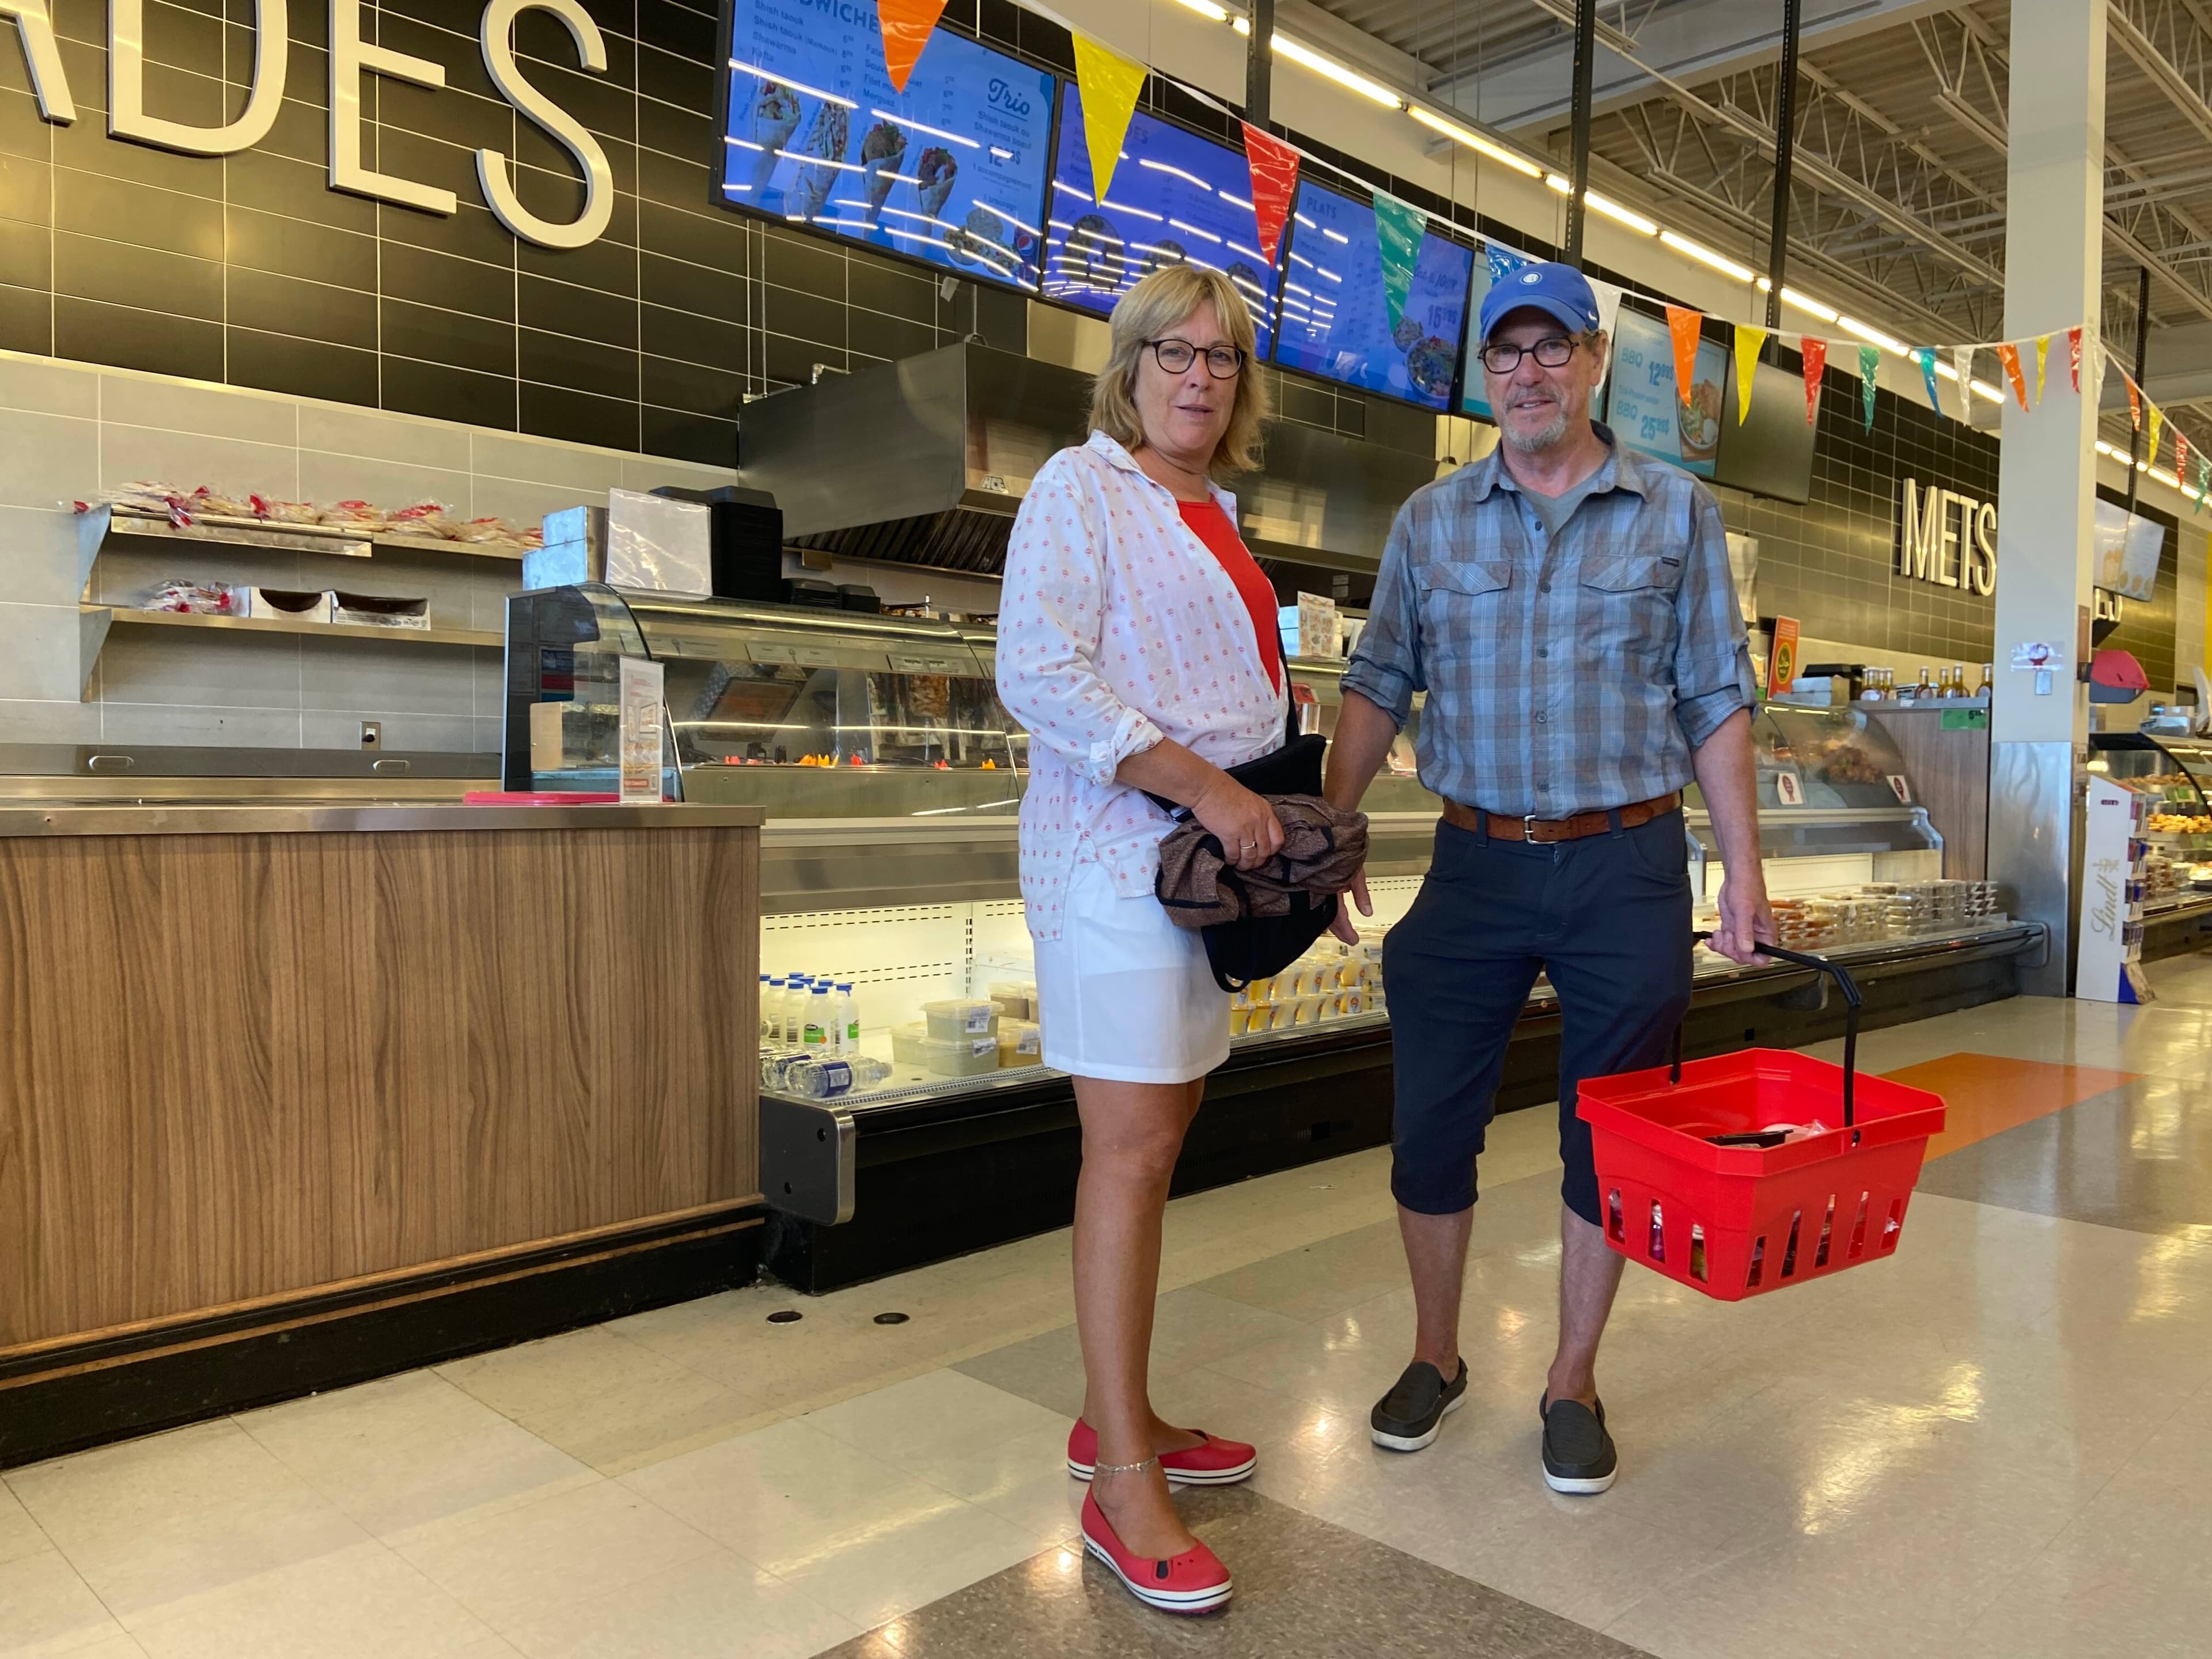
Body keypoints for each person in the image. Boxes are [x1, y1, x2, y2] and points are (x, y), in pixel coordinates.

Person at [1323, 261, 1774, 1495]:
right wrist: (1328, 829)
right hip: (1472, 861)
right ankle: (1435, 1355)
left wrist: (1744, 869)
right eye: (1506, 352)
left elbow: (1715, 695)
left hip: (1626, 862)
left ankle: (1572, 1378)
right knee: (1430, 1123)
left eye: (1551, 347)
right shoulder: (1431, 520)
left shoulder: (1676, 511)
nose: (1528, 373)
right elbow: (1377, 682)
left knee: (1609, 1134)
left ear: (1593, 361)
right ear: (1488, 375)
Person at [996, 264, 1289, 1615]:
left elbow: (1237, 694)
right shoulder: (1083, 486)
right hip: (1120, 865)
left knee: (1158, 1146)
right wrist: (1213, 792)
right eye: (1175, 351)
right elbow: (1040, 672)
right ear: (1129, 368)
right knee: (1126, 1155)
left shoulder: (1212, 506)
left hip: (1199, 878)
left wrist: (1288, 833)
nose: (1199, 376)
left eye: (1222, 357)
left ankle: (1120, 1416)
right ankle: (1121, 1483)